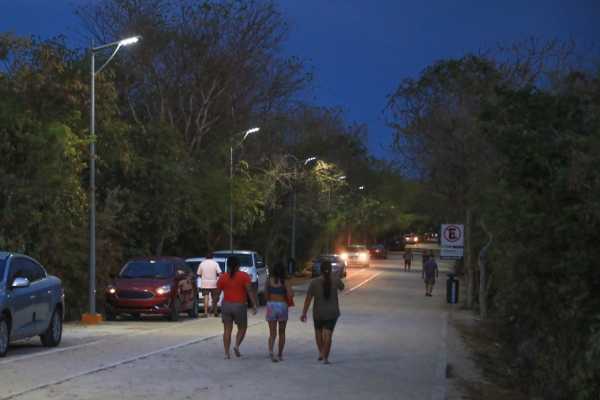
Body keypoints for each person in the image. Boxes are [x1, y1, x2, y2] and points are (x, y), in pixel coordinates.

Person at [301, 261, 344, 365]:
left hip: (318, 312)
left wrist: (304, 313)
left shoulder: (314, 282)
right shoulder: (335, 279)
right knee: (328, 335)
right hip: (332, 312)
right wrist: (336, 276)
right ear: (330, 269)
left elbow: (308, 299)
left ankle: (321, 352)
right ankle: (325, 357)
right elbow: (342, 287)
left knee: (318, 333)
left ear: (320, 270)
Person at [217, 256, 257, 359]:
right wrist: (254, 304)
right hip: (239, 305)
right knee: (242, 328)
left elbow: (217, 293)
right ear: (238, 265)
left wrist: (213, 306)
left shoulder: (223, 277)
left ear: (228, 265)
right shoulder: (244, 276)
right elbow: (249, 291)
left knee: (227, 330)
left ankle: (226, 353)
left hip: (226, 305)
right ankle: (236, 345)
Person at [265, 261, 293, 362]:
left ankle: (271, 352)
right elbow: (290, 294)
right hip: (282, 306)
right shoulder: (285, 281)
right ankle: (280, 354)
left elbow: (265, 295)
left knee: (272, 333)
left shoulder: (268, 281)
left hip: (271, 305)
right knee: (282, 332)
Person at [197, 253, 222, 317]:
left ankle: (205, 312)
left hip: (204, 283)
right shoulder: (215, 263)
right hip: (214, 283)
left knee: (206, 297)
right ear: (212, 257)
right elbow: (220, 273)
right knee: (215, 298)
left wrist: (203, 276)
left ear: (205, 257)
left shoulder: (202, 264)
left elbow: (198, 274)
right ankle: (215, 312)